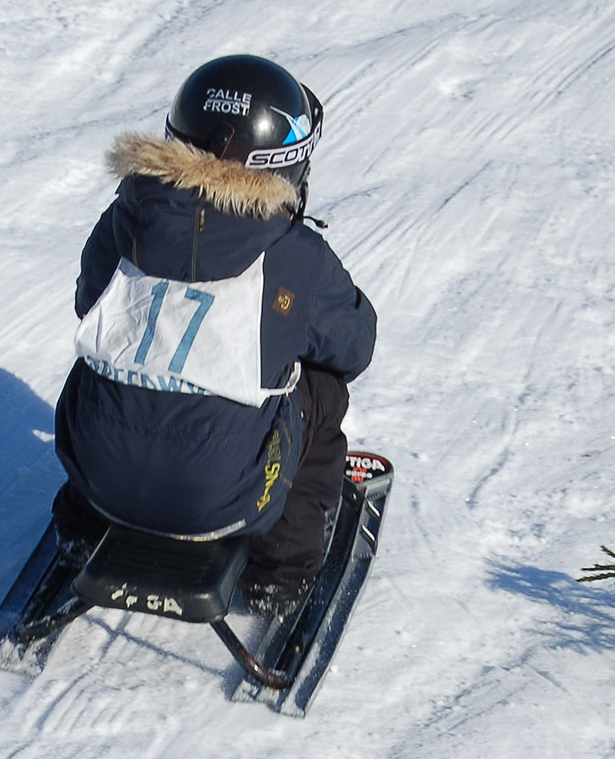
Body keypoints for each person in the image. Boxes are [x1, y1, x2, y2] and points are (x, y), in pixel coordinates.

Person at [53, 54, 377, 615]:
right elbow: (354, 343)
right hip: (223, 497)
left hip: (95, 468)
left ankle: (83, 524)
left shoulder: (124, 220)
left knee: (111, 358)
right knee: (323, 390)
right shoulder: (293, 255)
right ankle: (282, 569)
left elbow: (89, 302)